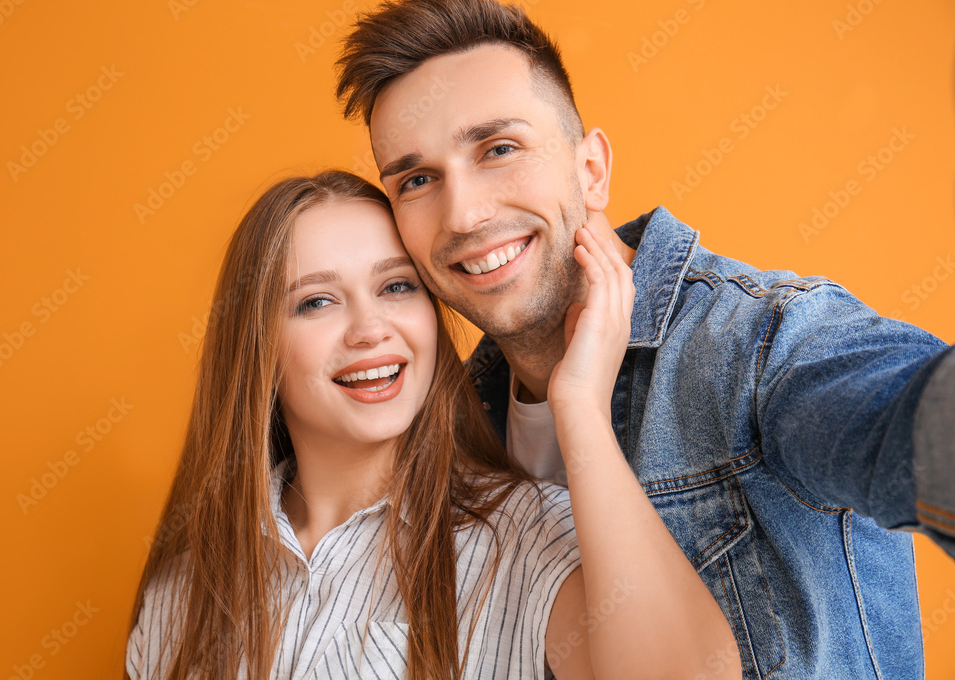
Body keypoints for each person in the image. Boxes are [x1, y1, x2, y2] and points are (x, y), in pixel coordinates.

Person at [334, 1, 955, 678]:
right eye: (417, 180)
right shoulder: (446, 428)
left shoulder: (760, 345)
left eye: (498, 149)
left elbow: (910, 418)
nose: (464, 213)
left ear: (592, 170)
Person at [124, 170, 738, 680]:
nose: (370, 329)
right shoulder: (186, 588)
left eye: (396, 286)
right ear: (256, 346)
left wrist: (577, 406)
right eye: (316, 301)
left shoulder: (521, 537)